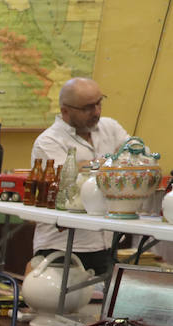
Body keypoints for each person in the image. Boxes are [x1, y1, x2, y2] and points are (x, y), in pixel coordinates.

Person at [31, 77, 128, 275]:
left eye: (99, 103)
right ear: (65, 110)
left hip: (106, 242)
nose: (97, 112)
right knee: (59, 304)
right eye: (88, 108)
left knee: (106, 303)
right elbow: (67, 183)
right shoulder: (48, 141)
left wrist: (88, 167)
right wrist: (111, 164)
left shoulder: (110, 127)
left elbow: (137, 156)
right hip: (63, 245)